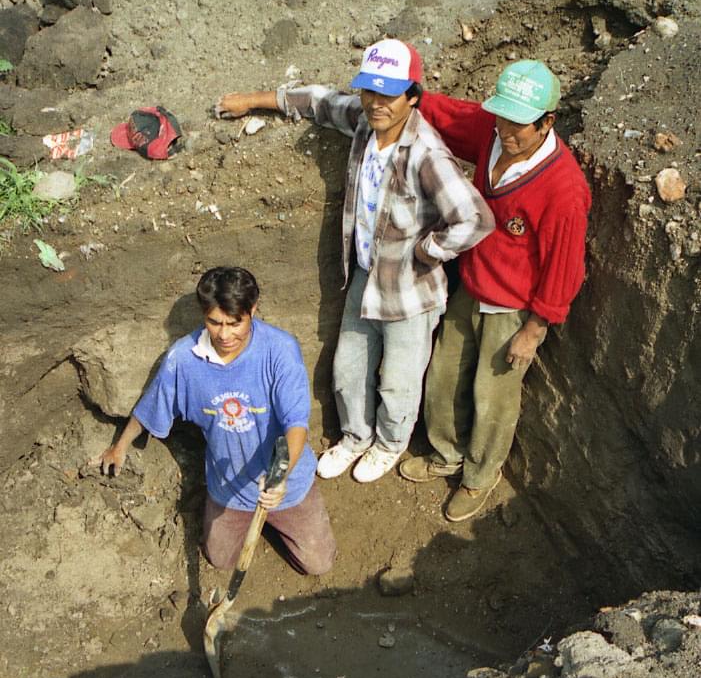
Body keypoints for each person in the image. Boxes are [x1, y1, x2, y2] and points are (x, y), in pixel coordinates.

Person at [215, 39, 494, 484]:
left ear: (413, 96)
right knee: (347, 369)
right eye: (370, 92)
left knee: (398, 383)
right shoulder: (367, 123)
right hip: (368, 276)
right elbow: (322, 102)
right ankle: (355, 436)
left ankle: (389, 444)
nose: (376, 103)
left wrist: (426, 251)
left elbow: (476, 218)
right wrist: (255, 101)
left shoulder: (425, 154)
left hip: (410, 293)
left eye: (388, 95)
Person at [399, 60, 592, 522]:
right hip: (472, 283)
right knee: (444, 376)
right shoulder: (493, 132)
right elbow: (455, 118)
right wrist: (413, 96)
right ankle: (446, 452)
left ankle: (479, 476)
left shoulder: (564, 190)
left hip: (513, 307)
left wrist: (535, 328)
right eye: (502, 117)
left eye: (518, 124)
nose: (506, 131)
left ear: (548, 122)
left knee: (494, 395)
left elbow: (565, 268)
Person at [98, 266, 336, 575]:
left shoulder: (280, 350)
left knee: (317, 564)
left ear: (252, 310)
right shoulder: (184, 359)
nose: (224, 335)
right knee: (221, 559)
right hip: (230, 489)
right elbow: (151, 406)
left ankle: (282, 519)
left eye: (234, 323)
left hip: (285, 484)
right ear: (203, 315)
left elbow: (296, 424)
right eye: (214, 322)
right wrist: (120, 446)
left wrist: (280, 476)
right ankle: (247, 521)